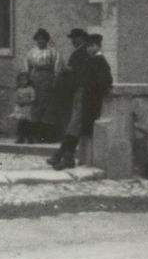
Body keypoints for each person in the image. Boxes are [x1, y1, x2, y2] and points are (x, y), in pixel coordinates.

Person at [46, 29, 113, 170]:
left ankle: (61, 156)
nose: (89, 49)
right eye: (88, 46)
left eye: (92, 46)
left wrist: (88, 86)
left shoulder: (100, 61)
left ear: (98, 46)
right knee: (74, 126)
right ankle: (66, 157)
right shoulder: (92, 60)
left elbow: (105, 81)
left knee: (74, 125)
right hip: (82, 97)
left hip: (89, 100)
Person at [25, 28, 61, 136]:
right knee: (35, 104)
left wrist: (55, 79)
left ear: (47, 40)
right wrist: (27, 80)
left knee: (47, 104)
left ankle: (46, 134)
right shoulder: (32, 52)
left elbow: (57, 66)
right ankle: (35, 133)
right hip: (35, 79)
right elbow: (27, 67)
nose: (41, 41)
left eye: (43, 39)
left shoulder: (52, 51)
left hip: (48, 78)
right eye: (39, 39)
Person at [10, 70, 37, 143]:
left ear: (28, 80)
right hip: (20, 108)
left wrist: (27, 102)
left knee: (28, 123)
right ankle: (20, 138)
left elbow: (33, 99)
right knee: (20, 123)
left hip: (27, 108)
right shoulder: (18, 90)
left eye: (25, 80)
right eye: (21, 80)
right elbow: (16, 98)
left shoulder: (30, 89)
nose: (23, 82)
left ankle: (30, 138)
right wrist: (18, 102)